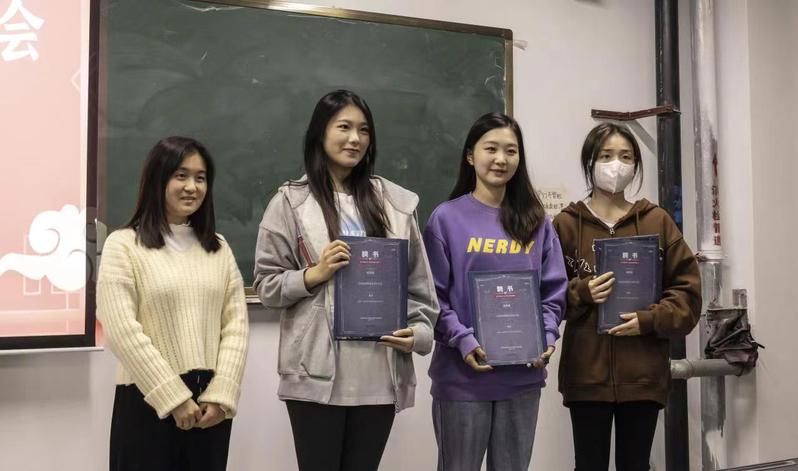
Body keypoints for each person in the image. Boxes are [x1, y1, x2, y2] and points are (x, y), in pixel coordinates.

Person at [253, 89, 439, 471]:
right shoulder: (290, 203)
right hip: (314, 376)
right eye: (344, 127)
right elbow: (267, 286)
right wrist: (314, 274)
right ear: (320, 133)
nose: (355, 138)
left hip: (380, 375)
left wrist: (418, 334)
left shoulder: (396, 204)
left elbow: (420, 288)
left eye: (364, 130)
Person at [423, 112, 568, 471]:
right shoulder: (445, 219)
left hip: (522, 379)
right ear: (470, 156)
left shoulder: (536, 221)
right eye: (491, 149)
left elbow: (553, 292)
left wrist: (547, 336)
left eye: (511, 151)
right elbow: (433, 298)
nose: (501, 159)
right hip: (462, 380)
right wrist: (463, 340)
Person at [553, 122, 701, 471]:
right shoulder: (566, 224)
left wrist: (650, 320)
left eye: (625, 156)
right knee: (588, 465)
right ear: (589, 162)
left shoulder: (657, 221)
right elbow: (546, 296)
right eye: (605, 156)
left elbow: (688, 294)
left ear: (636, 164)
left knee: (636, 465)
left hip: (643, 375)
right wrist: (582, 292)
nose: (615, 165)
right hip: (586, 376)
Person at [96, 136, 249, 470]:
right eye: (181, 175)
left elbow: (236, 327)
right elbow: (121, 330)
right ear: (158, 179)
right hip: (147, 399)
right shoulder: (124, 245)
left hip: (210, 407)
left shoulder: (218, 247)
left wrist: (222, 395)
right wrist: (173, 397)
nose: (192, 187)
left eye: (200, 178)